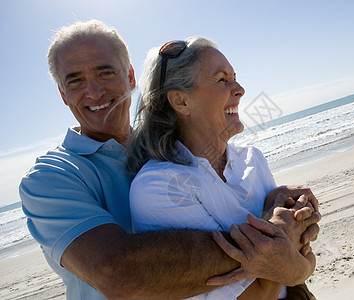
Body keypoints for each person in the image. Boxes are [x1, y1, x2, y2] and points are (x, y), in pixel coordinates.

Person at [19, 19, 320, 300]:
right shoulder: (50, 177)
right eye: (75, 81)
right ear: (62, 94)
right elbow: (117, 272)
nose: (94, 91)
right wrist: (274, 240)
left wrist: (285, 225)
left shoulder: (174, 151)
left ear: (130, 77)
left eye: (105, 72)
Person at [127, 37, 318, 299]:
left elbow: (300, 259)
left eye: (235, 78)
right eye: (222, 80)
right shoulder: (159, 187)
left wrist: (295, 252)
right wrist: (281, 228)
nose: (239, 89)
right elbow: (256, 295)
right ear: (181, 101)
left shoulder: (253, 159)